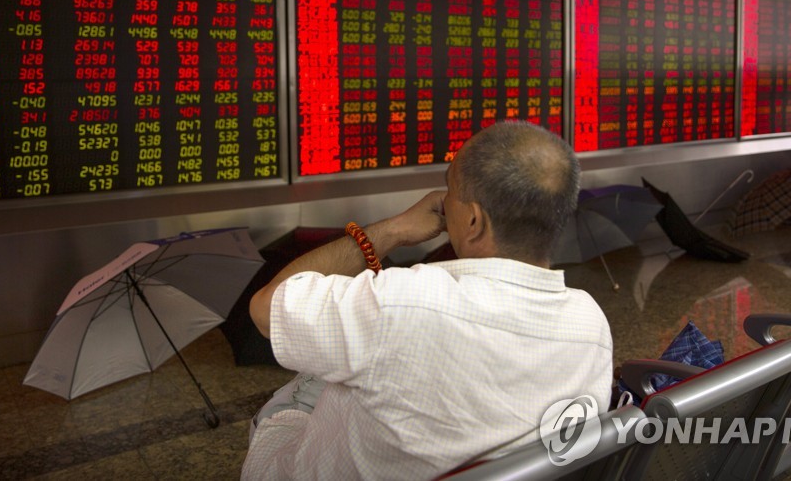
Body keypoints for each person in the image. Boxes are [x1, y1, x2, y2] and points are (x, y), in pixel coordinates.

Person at [242, 121, 613, 480]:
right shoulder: (591, 324)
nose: (443, 201)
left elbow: (266, 308)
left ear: (474, 222)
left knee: (308, 383)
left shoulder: (401, 303)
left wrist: (395, 229)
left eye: (449, 189)